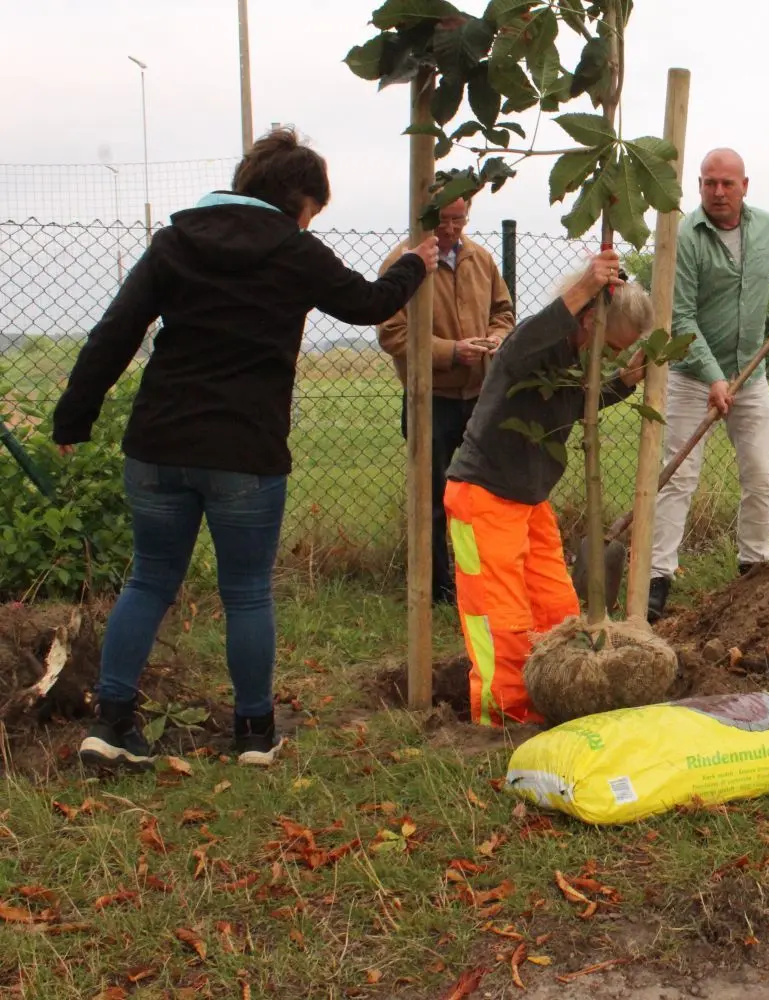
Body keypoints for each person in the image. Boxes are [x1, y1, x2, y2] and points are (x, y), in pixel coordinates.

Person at [51, 127, 438, 769]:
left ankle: (113, 724)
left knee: (148, 579)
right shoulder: (295, 250)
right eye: (316, 209)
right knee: (248, 591)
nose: (314, 220)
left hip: (158, 443)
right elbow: (368, 305)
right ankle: (254, 732)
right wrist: (415, 263)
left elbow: (115, 331)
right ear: (300, 201)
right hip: (245, 451)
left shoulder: (175, 241)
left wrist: (74, 419)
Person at [445, 250, 654, 727]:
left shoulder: (574, 364)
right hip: (483, 498)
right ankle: (503, 720)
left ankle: (549, 704)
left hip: (530, 500)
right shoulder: (536, 348)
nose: (612, 357)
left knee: (556, 611)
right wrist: (582, 288)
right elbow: (518, 346)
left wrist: (624, 382)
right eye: (612, 347)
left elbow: (580, 401)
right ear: (584, 321)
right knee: (502, 621)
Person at [646, 149, 769, 622]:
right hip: (694, 377)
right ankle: (658, 579)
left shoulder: (766, 228)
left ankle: (753, 570)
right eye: (709, 183)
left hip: (751, 378)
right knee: (677, 476)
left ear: (744, 186)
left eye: (727, 184)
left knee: (759, 475)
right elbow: (680, 317)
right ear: (699, 186)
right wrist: (714, 377)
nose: (718, 192)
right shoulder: (686, 238)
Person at [377, 194, 515, 605]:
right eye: (445, 220)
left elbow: (504, 312)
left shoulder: (481, 259)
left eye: (460, 219)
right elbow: (392, 333)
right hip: (430, 398)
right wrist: (452, 351)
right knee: (432, 498)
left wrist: (496, 338)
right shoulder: (403, 262)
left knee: (485, 495)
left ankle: (490, 582)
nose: (452, 229)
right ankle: (437, 589)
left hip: (479, 397)